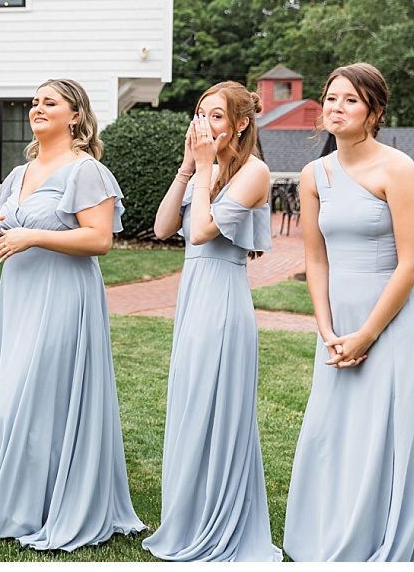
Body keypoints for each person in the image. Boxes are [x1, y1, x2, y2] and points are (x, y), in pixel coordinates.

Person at [283, 63, 414, 562]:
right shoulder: (314, 174)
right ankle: (332, 529)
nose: (336, 107)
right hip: (339, 324)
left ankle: (387, 534)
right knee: (336, 431)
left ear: (374, 111)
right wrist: (328, 329)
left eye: (350, 100)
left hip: (393, 320)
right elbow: (314, 258)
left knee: (387, 430)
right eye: (331, 98)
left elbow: (412, 262)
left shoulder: (397, 168)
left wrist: (367, 334)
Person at [0, 78, 143, 551]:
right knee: (15, 396)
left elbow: (99, 239)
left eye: (50, 102)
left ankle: (58, 504)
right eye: (34, 102)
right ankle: (23, 503)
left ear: (75, 116)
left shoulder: (84, 170)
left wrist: (32, 237)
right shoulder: (19, 173)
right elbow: (6, 234)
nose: (37, 108)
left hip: (64, 295)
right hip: (21, 295)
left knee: (42, 395)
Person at [140, 81, 278, 561]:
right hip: (192, 296)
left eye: (216, 116)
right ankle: (190, 512)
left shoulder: (253, 172)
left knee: (215, 406)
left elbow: (201, 230)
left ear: (241, 123)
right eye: (200, 114)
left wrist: (202, 170)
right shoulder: (204, 169)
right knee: (189, 404)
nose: (204, 124)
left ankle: (219, 519)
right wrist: (186, 169)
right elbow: (161, 228)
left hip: (222, 301)